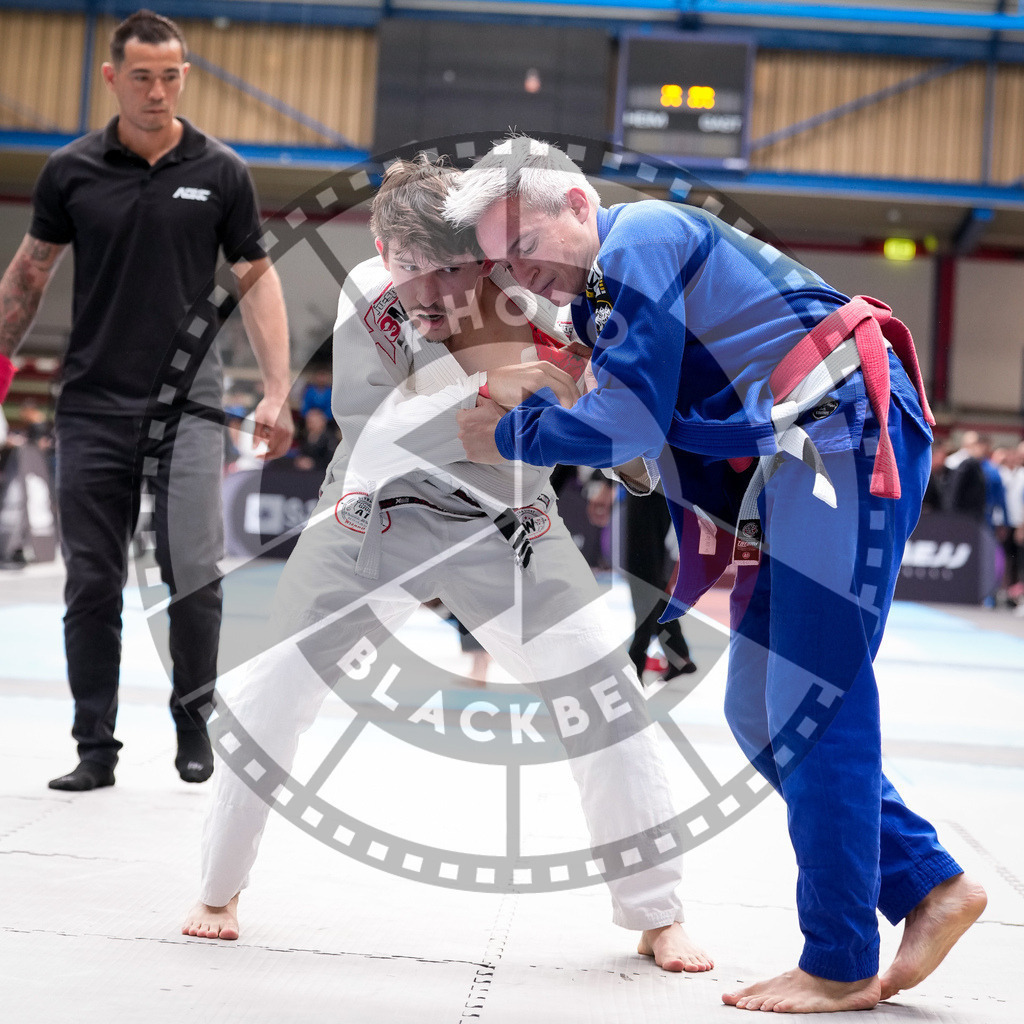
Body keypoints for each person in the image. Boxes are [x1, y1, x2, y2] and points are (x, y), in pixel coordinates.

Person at [446, 136, 986, 1014]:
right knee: (755, 711)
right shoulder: (596, 298)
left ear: (578, 206)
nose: (520, 274)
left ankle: (842, 960)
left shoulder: (636, 241)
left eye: (527, 248)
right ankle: (928, 884)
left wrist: (515, 432)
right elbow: (643, 444)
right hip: (795, 472)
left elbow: (624, 427)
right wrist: (559, 395)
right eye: (503, 262)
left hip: (843, 437)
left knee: (813, 698)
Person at [182, 156, 712, 974]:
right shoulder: (371, 291)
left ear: (486, 254)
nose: (429, 292)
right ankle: (218, 886)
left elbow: (614, 399)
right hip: (372, 522)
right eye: (411, 269)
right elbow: (376, 429)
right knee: (273, 690)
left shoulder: (537, 287)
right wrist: (517, 387)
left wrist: (591, 407)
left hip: (512, 533)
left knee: (606, 695)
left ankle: (656, 912)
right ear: (382, 251)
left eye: (451, 269)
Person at [0, 10, 293, 792]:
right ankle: (94, 747)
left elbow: (258, 284)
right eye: (142, 77)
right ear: (112, 78)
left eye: (171, 76)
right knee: (90, 580)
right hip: (91, 404)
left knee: (193, 567)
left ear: (184, 76)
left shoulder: (222, 171)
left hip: (189, 405)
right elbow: (28, 278)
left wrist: (276, 390)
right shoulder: (71, 171)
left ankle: (193, 720)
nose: (158, 91)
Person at [587, 477, 697, 681]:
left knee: (644, 577)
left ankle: (636, 663)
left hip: (647, 486)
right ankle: (677, 654)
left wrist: (606, 484)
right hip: (658, 486)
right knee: (651, 577)